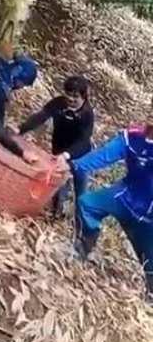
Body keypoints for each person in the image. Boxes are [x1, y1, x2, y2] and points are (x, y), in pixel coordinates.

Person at [56, 108, 153, 303]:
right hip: (123, 197)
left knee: (150, 263)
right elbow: (105, 155)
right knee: (88, 203)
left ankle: (150, 297)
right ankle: (83, 247)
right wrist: (74, 165)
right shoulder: (133, 137)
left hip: (149, 218)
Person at [19, 75, 94, 217]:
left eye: (75, 96)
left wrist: (67, 155)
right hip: (59, 151)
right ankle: (57, 213)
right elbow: (41, 116)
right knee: (59, 187)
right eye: (68, 95)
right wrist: (20, 129)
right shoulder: (58, 104)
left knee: (81, 190)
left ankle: (81, 218)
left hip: (80, 155)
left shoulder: (87, 114)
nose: (71, 100)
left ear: (84, 97)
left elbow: (84, 141)